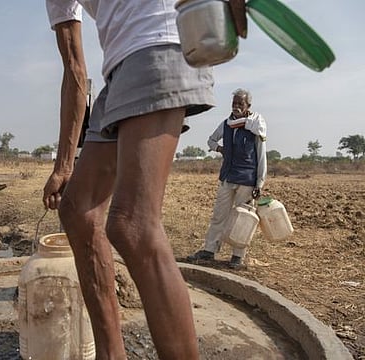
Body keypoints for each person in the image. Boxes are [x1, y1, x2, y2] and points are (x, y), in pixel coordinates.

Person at [43, 1, 246, 358]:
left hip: (162, 42)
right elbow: (75, 71)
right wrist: (63, 164)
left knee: (132, 225)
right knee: (78, 211)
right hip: (118, 71)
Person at [187, 88, 267, 269]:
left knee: (243, 219)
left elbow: (262, 156)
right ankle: (209, 250)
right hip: (228, 177)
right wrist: (219, 149)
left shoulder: (255, 125)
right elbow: (211, 141)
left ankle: (237, 257)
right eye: (234, 103)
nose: (236, 107)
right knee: (219, 216)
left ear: (248, 106)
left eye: (240, 104)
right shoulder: (226, 125)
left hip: (247, 179)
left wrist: (260, 182)